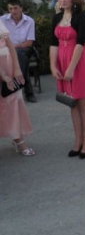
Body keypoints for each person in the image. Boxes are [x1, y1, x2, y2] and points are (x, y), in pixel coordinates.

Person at [50, 0, 85, 159]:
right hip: (62, 63)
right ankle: (78, 141)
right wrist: (53, 66)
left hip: (78, 62)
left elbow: (80, 43)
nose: (63, 0)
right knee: (73, 104)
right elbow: (53, 43)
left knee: (84, 104)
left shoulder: (81, 16)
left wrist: (71, 68)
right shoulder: (56, 17)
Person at [0, 20, 34, 156]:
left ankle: (18, 138)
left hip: (7, 64)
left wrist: (16, 68)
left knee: (15, 99)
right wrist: (3, 75)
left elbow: (10, 45)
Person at [0, 0, 37, 102]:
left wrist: (15, 46)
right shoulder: (2, 20)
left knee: (19, 55)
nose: (13, 11)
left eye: (15, 8)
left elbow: (29, 42)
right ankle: (27, 91)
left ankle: (16, 89)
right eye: (10, 9)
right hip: (6, 50)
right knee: (15, 58)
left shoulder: (29, 21)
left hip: (24, 48)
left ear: (21, 8)